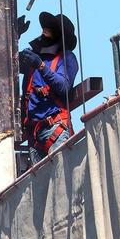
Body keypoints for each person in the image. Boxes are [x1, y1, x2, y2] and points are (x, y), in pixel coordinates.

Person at [19, 12, 79, 165]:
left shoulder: (66, 58)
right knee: (41, 186)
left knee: (61, 180)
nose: (43, 33)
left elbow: (64, 86)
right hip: (34, 136)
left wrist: (41, 66)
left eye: (48, 30)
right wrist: (14, 35)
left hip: (55, 130)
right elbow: (5, 63)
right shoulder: (33, 59)